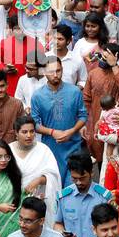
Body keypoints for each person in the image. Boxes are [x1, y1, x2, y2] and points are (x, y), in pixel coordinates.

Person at [29, 57, 88, 185]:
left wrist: (71, 131)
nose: (55, 75)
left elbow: (83, 116)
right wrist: (52, 132)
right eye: (51, 72)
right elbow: (35, 124)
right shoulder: (37, 96)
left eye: (58, 71)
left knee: (73, 185)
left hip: (74, 146)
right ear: (44, 72)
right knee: (54, 186)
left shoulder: (74, 91)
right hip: (51, 148)